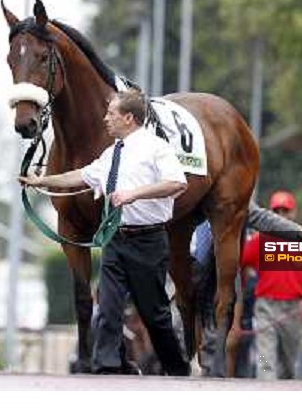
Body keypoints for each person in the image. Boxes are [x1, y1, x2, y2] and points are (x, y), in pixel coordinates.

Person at [19, 90, 190, 376]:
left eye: (111, 113)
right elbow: (80, 175)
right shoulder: (112, 153)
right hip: (115, 239)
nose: (105, 118)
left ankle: (177, 369)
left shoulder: (156, 148)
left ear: (129, 117)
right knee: (107, 309)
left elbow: (177, 183)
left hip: (148, 242)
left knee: (155, 315)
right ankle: (106, 368)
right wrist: (40, 181)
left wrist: (134, 194)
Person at [240, 190, 302, 380]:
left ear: (293, 214)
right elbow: (240, 265)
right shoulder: (258, 241)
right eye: (276, 211)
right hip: (265, 308)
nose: (281, 215)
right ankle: (265, 390)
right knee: (265, 362)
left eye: (285, 211)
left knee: (289, 365)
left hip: (293, 310)